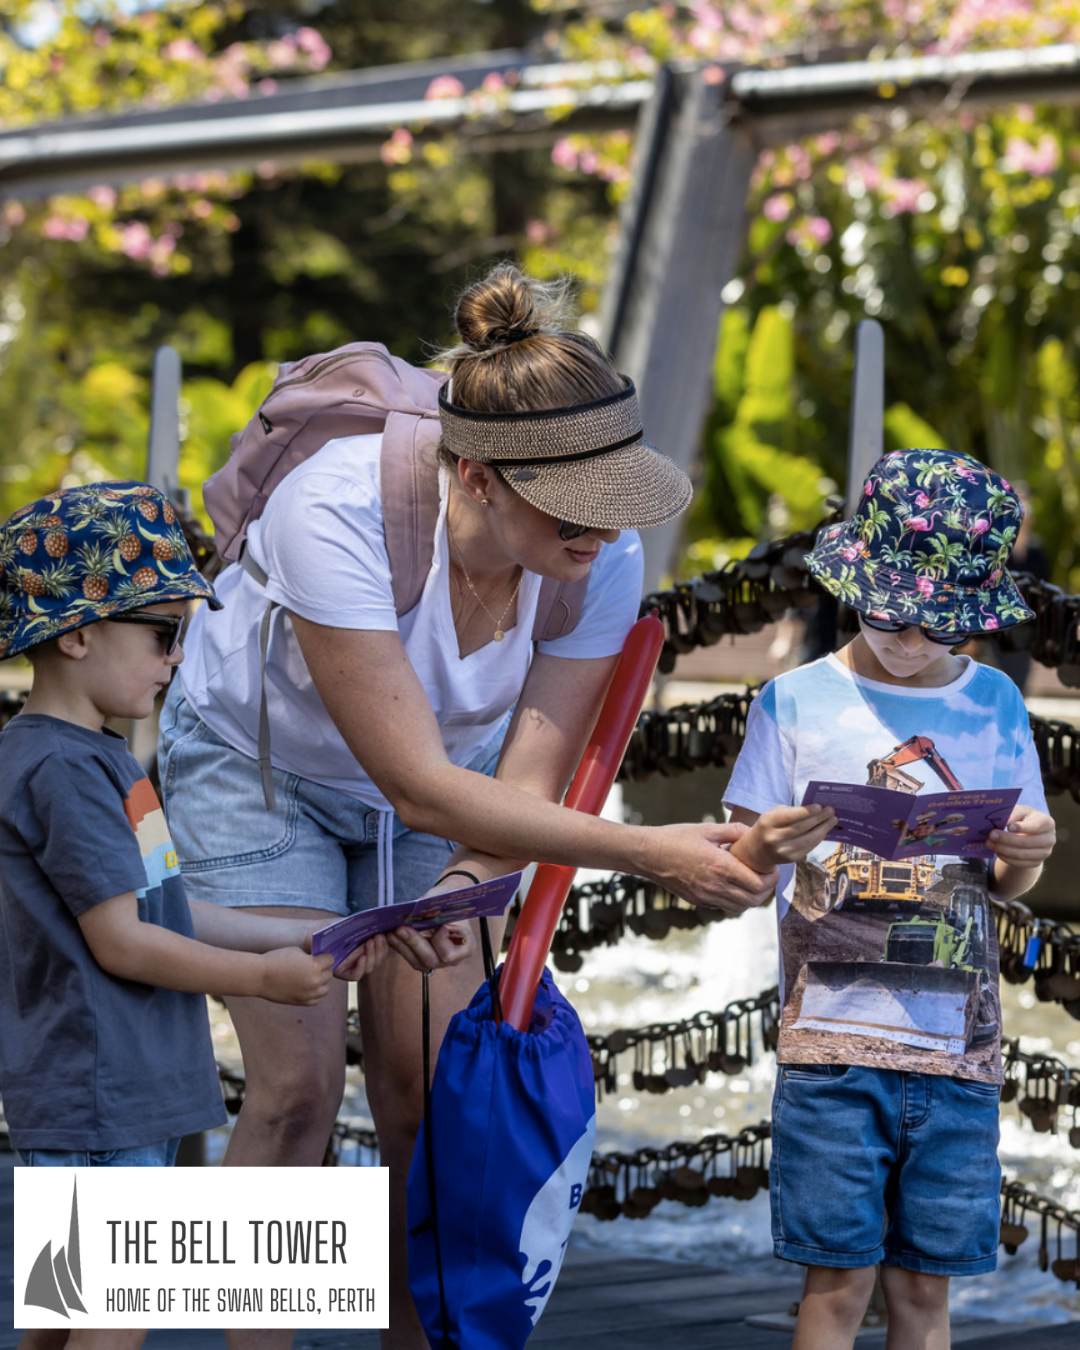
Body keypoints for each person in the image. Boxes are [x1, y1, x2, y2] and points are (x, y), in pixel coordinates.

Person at [159, 263, 777, 1350]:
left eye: (613, 498)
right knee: (299, 1093)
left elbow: (521, 783)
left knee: (428, 1096)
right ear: (480, 477)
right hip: (261, 768)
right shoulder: (335, 508)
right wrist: (649, 853)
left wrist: (459, 882)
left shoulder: (603, 554)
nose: (600, 530)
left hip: (455, 779)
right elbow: (412, 781)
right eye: (572, 505)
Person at [0, 480, 443, 1350]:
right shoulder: (66, 772)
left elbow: (168, 911)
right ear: (80, 633)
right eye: (163, 634)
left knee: (63, 1320)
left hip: (105, 1088)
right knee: (110, 1328)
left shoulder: (86, 759)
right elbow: (125, 943)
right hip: (103, 1092)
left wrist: (303, 938)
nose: (177, 657)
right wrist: (264, 981)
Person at [722, 448, 1055, 1350]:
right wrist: (764, 845)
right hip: (829, 1043)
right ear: (853, 585)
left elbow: (1010, 877)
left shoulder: (995, 705)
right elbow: (740, 871)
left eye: (938, 627)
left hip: (958, 1055)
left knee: (925, 1292)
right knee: (836, 1284)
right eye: (888, 615)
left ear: (975, 621)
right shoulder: (793, 701)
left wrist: (1031, 849)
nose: (908, 642)